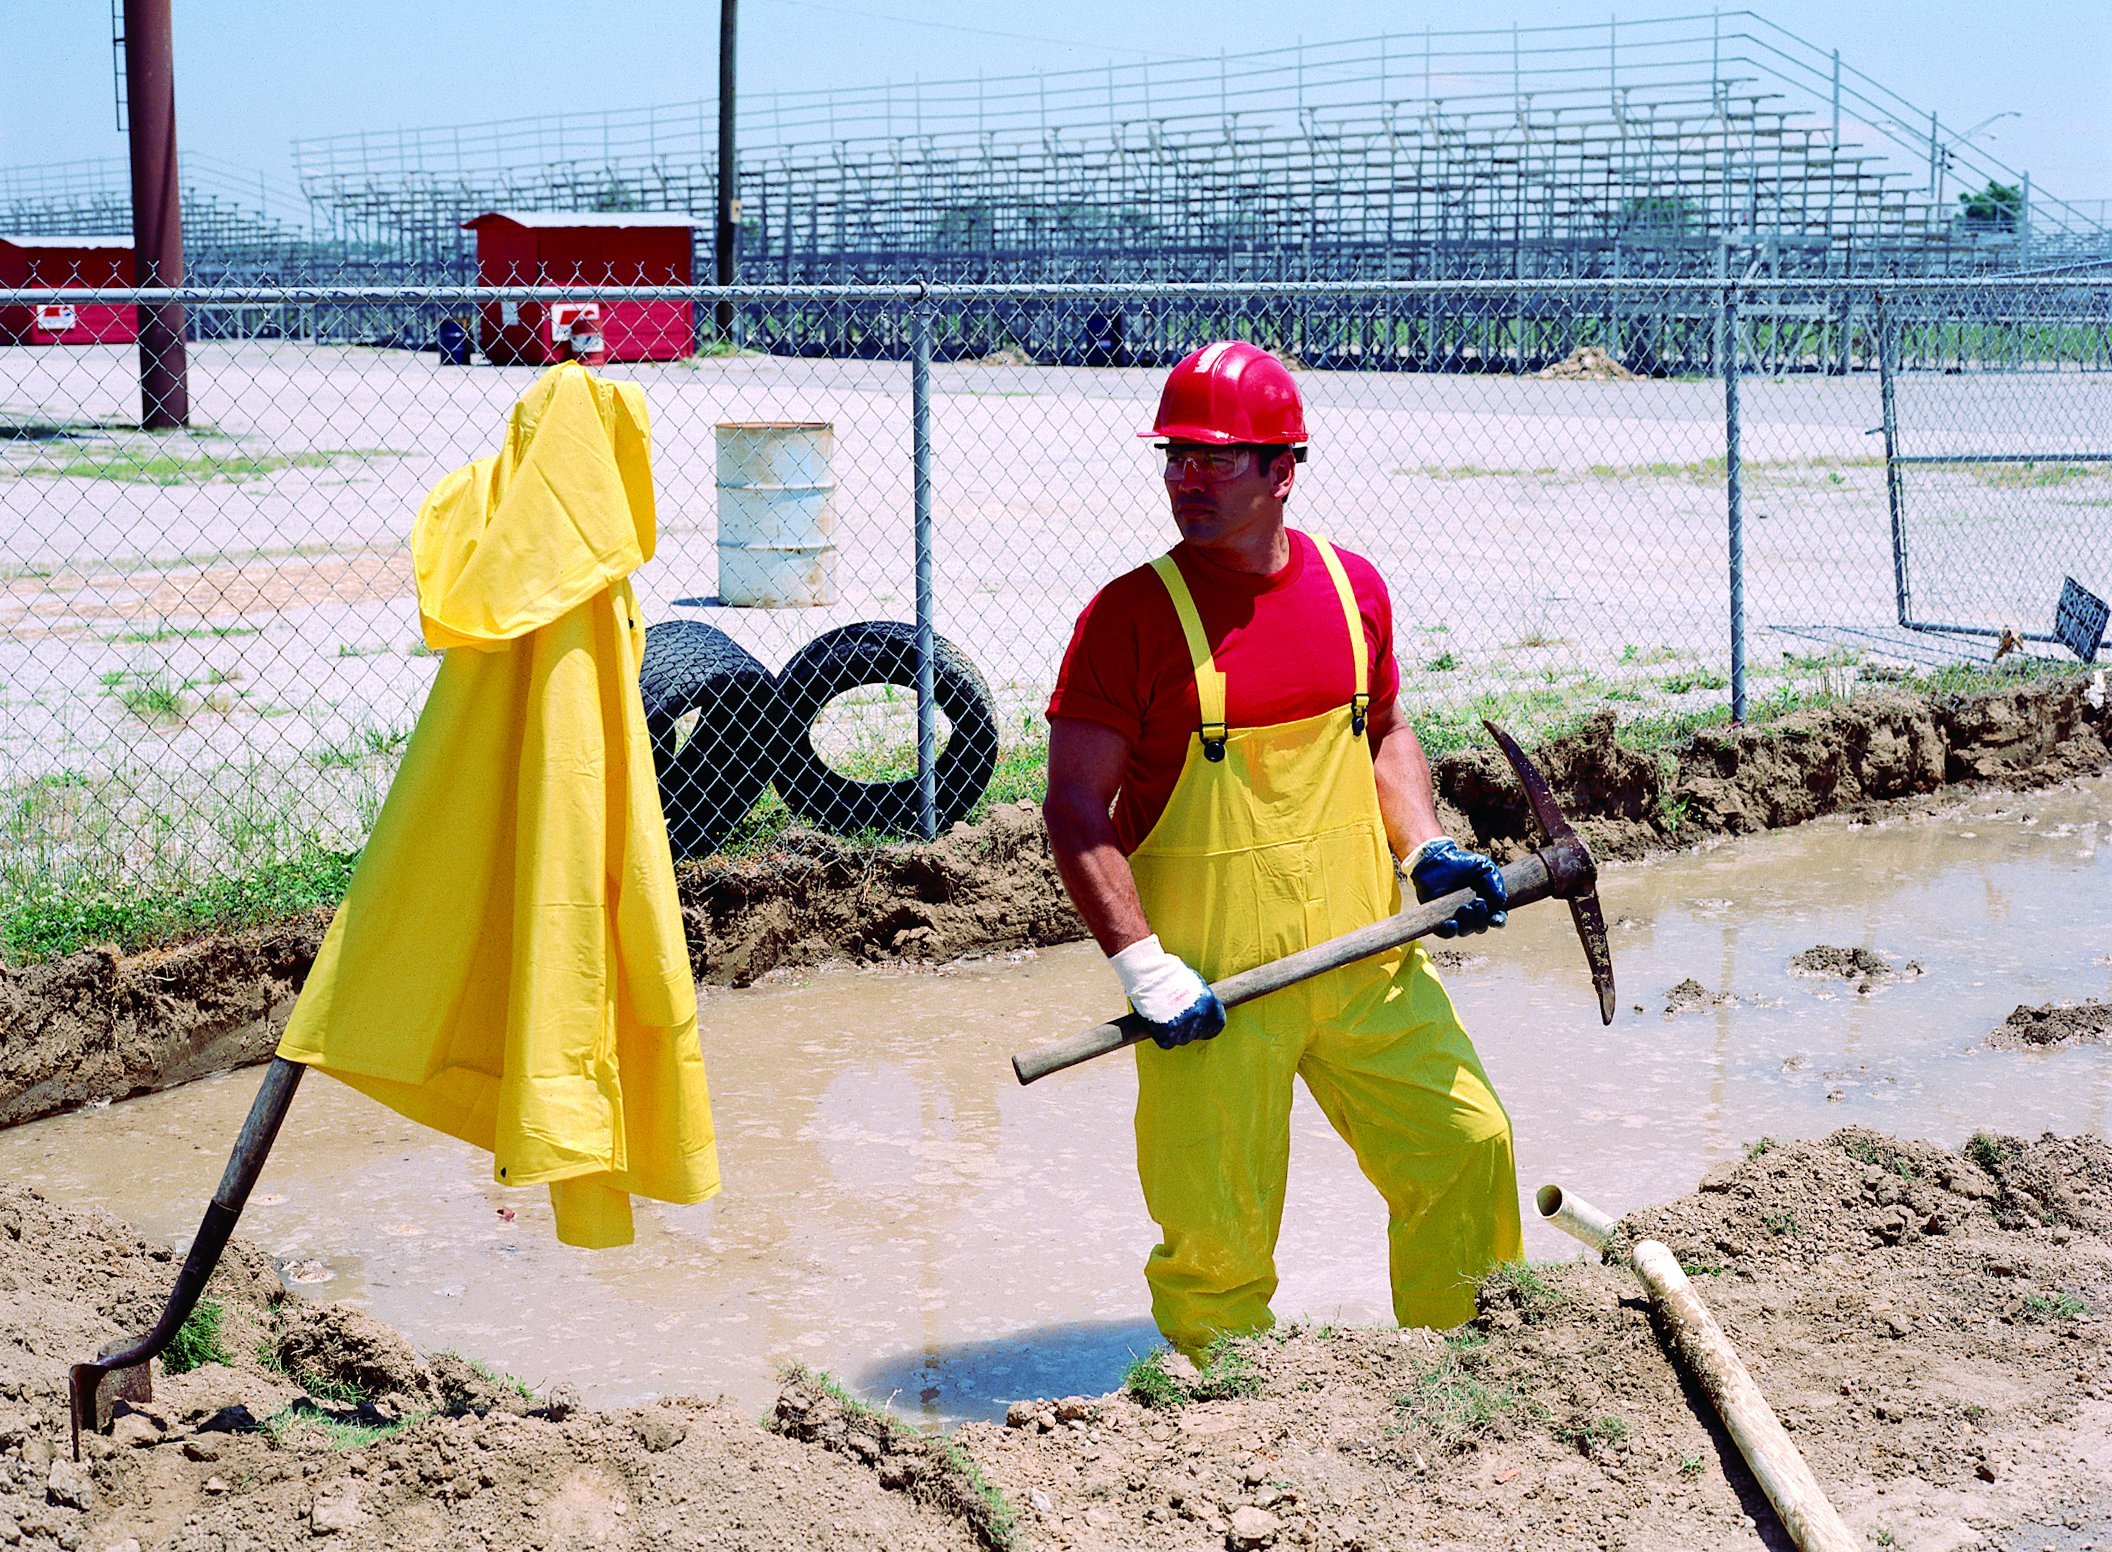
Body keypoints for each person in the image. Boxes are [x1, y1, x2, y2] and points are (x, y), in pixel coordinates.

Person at [1042, 340, 1523, 1359]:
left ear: (1283, 468)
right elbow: (1075, 810)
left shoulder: (1353, 592)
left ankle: (1471, 1374)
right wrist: (1143, 967)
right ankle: (1230, 1429)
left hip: (1367, 962)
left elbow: (1383, 729)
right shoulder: (1128, 620)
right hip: (1212, 998)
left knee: (1467, 1146)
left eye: (1215, 459)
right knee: (1218, 1242)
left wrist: (1427, 847)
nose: (1185, 479)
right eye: (1174, 455)